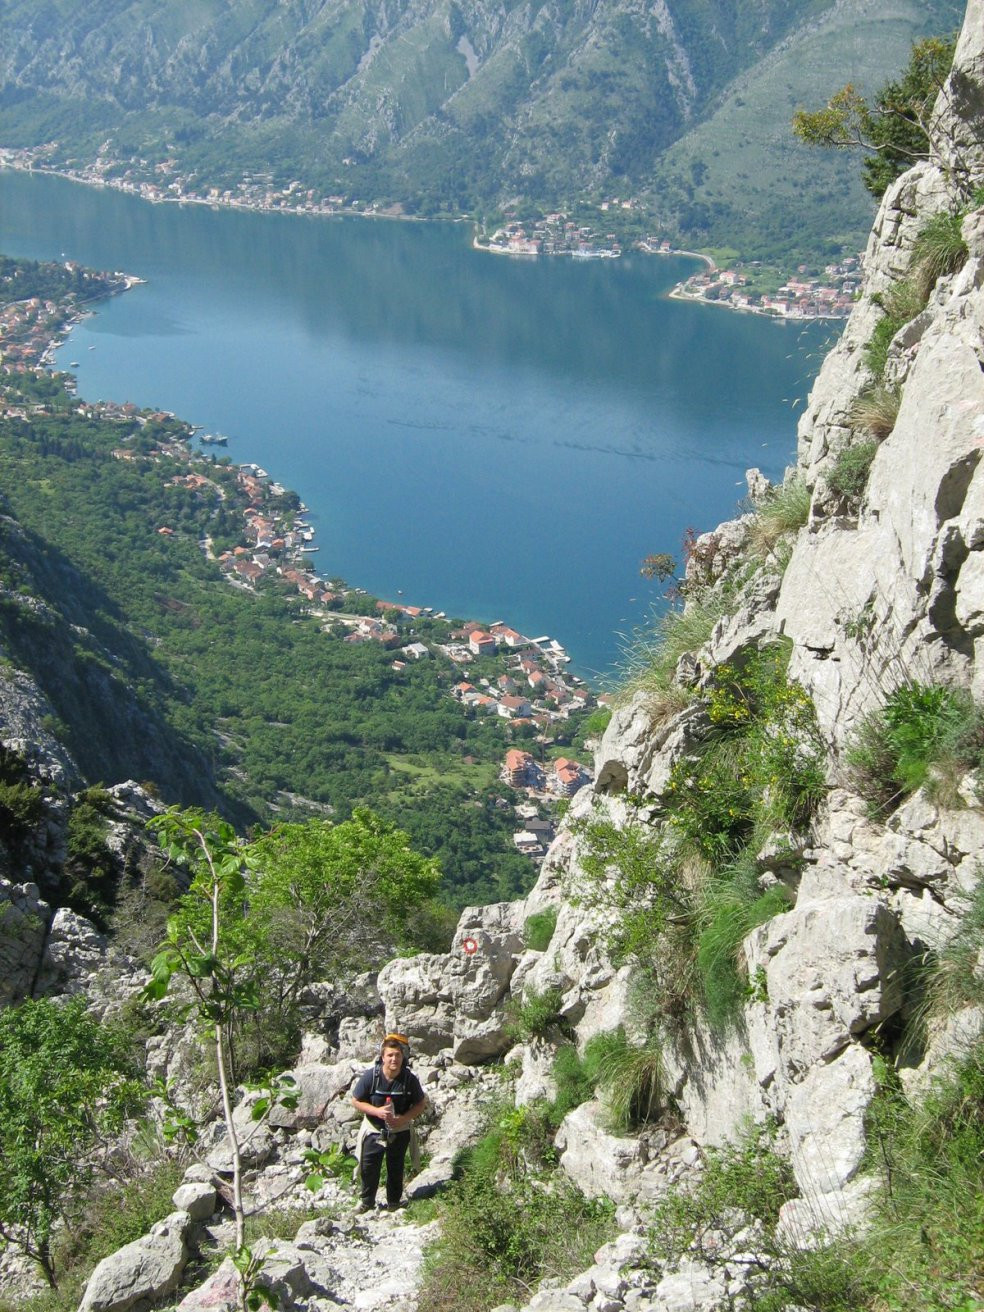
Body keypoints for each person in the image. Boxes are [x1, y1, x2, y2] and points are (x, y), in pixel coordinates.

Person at [350, 1032, 427, 1212]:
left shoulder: (409, 1079)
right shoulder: (372, 1076)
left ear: (403, 1057)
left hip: (399, 1130)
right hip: (373, 1129)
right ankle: (366, 1202)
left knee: (396, 1166)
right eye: (390, 1055)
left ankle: (394, 1202)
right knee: (369, 1166)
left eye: (398, 1055)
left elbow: (420, 1104)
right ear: (382, 1057)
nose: (394, 1059)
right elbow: (355, 1100)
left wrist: (403, 1119)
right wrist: (376, 1111)